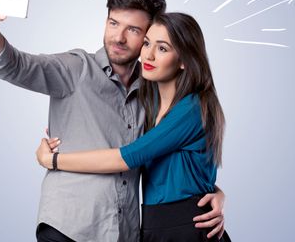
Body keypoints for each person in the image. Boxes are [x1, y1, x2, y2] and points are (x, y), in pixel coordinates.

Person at [0, 0, 226, 242]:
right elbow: (12, 65)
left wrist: (214, 193)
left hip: (124, 233)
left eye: (134, 30)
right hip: (69, 228)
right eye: (113, 23)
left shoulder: (153, 95)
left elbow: (166, 161)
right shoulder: (75, 68)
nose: (118, 37)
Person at [36, 12, 231, 241]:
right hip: (153, 227)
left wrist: (54, 160)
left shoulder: (192, 108)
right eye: (147, 43)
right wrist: (218, 192)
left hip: (187, 227)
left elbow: (126, 157)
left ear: (184, 61)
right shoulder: (150, 104)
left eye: (162, 48)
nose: (148, 55)